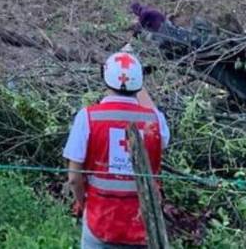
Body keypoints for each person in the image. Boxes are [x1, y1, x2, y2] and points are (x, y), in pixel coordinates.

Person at [63, 51, 170, 249]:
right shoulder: (155, 120)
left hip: (100, 221)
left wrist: (84, 204)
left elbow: (74, 178)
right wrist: (136, 84)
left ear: (104, 77)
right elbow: (160, 133)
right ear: (139, 84)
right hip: (144, 223)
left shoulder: (87, 118)